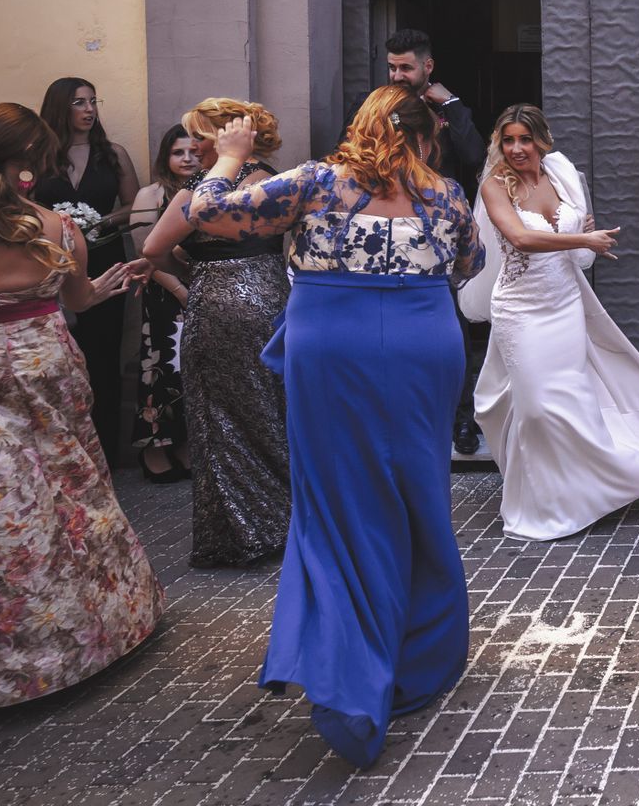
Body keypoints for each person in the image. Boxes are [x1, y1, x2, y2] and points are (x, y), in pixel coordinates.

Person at [185, 87, 485, 767]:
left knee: (339, 504)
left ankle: (350, 670)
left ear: (362, 128)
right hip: (422, 344)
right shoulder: (446, 195)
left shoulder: (315, 183)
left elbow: (206, 212)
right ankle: (421, 652)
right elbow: (469, 267)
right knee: (417, 495)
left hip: (335, 346)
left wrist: (229, 156)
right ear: (423, 135)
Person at [0, 103, 162, 719]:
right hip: (40, 370)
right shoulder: (58, 228)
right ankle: (79, 635)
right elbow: (79, 299)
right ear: (33, 164)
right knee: (60, 495)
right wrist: (110, 284)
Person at [460, 105, 639, 540]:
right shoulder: (495, 185)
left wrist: (582, 235)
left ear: (541, 141)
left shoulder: (561, 175)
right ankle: (542, 504)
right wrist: (581, 236)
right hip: (520, 309)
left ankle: (587, 493)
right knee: (536, 408)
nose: (516, 149)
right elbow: (520, 238)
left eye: (524, 139)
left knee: (573, 399)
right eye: (508, 140)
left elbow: (579, 254)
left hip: (565, 302)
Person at [141, 99, 292, 567]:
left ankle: (241, 533)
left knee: (220, 419)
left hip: (217, 306)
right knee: (274, 410)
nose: (191, 149)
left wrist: (194, 273)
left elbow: (152, 249)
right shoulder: (272, 182)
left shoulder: (196, 193)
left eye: (196, 139)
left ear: (217, 140)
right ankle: (289, 522)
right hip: (271, 296)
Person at [384, 29, 491, 456]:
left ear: (427, 66)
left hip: (439, 233)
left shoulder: (448, 109)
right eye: (391, 66)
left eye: (405, 67)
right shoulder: (375, 107)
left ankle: (463, 420)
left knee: (452, 331)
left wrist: (450, 106)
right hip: (386, 231)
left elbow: (474, 157)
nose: (397, 75)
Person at [32, 76, 141, 468]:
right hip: (50, 263)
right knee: (59, 354)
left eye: (93, 101)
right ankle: (62, 453)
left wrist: (99, 220)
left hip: (105, 260)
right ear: (60, 108)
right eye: (79, 103)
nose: (89, 110)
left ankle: (106, 454)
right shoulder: (39, 156)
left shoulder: (112, 153)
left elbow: (134, 205)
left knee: (102, 356)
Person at [129, 125, 201, 482]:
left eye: (193, 151)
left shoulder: (210, 190)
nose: (187, 159)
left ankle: (184, 442)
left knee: (191, 371)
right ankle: (154, 446)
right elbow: (145, 251)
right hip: (164, 295)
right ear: (165, 157)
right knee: (162, 370)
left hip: (203, 289)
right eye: (178, 152)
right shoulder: (151, 194)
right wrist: (178, 290)